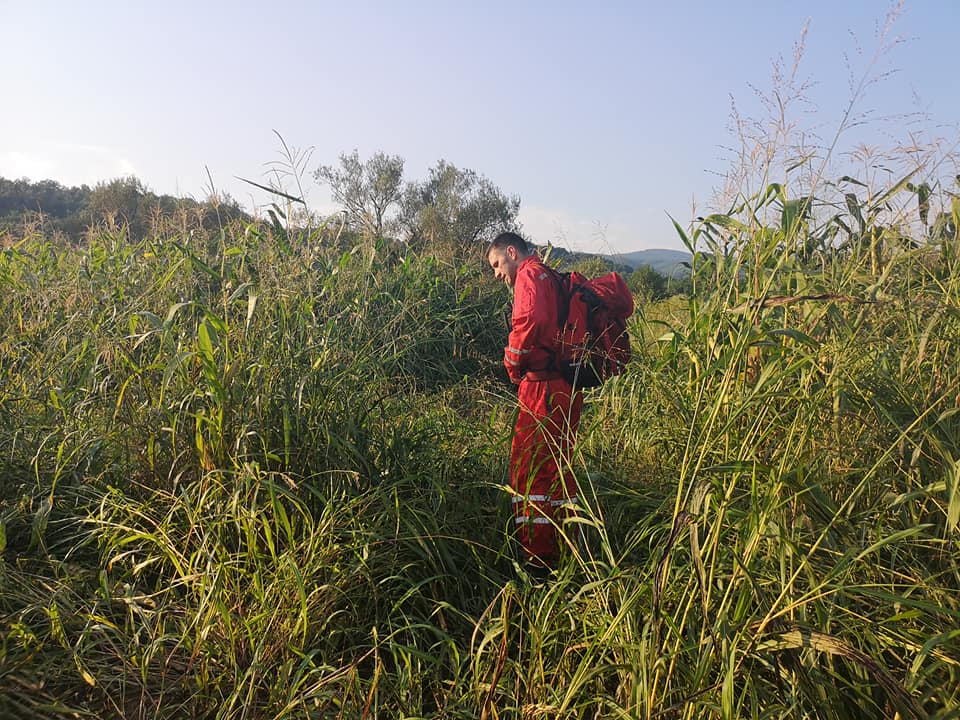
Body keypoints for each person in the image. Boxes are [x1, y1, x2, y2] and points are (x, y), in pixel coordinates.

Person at [487, 231, 583, 574]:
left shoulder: (528, 275)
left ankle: (538, 561)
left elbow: (530, 323)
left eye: (498, 264)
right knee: (559, 467)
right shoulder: (552, 277)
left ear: (512, 252)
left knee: (531, 470)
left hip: (541, 388)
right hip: (567, 387)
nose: (498, 274)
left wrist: (512, 366)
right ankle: (569, 546)